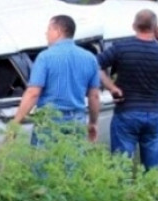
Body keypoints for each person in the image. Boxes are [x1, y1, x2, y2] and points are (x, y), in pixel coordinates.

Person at [97, 9, 158, 170]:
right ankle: (151, 192)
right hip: (154, 113)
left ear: (134, 26)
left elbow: (95, 65)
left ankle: (123, 193)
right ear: (156, 28)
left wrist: (112, 87)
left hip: (127, 111)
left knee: (121, 165)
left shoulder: (121, 48)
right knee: (152, 168)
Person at [12, 15, 100, 145]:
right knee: (72, 163)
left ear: (58, 31)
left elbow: (33, 93)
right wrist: (93, 123)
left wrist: (15, 123)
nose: (46, 33)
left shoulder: (45, 57)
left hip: (50, 120)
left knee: (45, 163)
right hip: (77, 120)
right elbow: (94, 96)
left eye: (49, 29)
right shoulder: (90, 58)